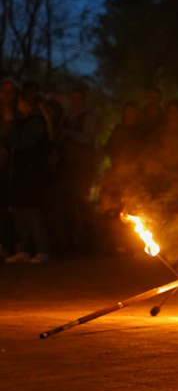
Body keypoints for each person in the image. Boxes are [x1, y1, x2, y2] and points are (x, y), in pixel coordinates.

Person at [5, 90, 51, 263]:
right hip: (20, 173)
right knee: (17, 209)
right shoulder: (23, 121)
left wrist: (9, 122)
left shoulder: (36, 122)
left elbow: (21, 143)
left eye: (19, 102)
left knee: (32, 211)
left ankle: (42, 250)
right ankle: (25, 249)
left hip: (32, 173)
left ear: (25, 103)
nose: (17, 106)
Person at [56, 87, 99, 250]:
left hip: (82, 167)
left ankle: (88, 242)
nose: (74, 102)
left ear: (83, 101)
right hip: (67, 167)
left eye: (77, 99)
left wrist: (70, 134)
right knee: (68, 204)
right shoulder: (65, 118)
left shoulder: (88, 117)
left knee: (83, 204)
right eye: (72, 98)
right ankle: (72, 240)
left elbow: (89, 139)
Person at [0, 80, 18, 256]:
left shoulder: (17, 113)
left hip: (9, 168)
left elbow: (14, 138)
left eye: (10, 92)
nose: (6, 95)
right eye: (3, 91)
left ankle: (7, 245)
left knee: (6, 206)